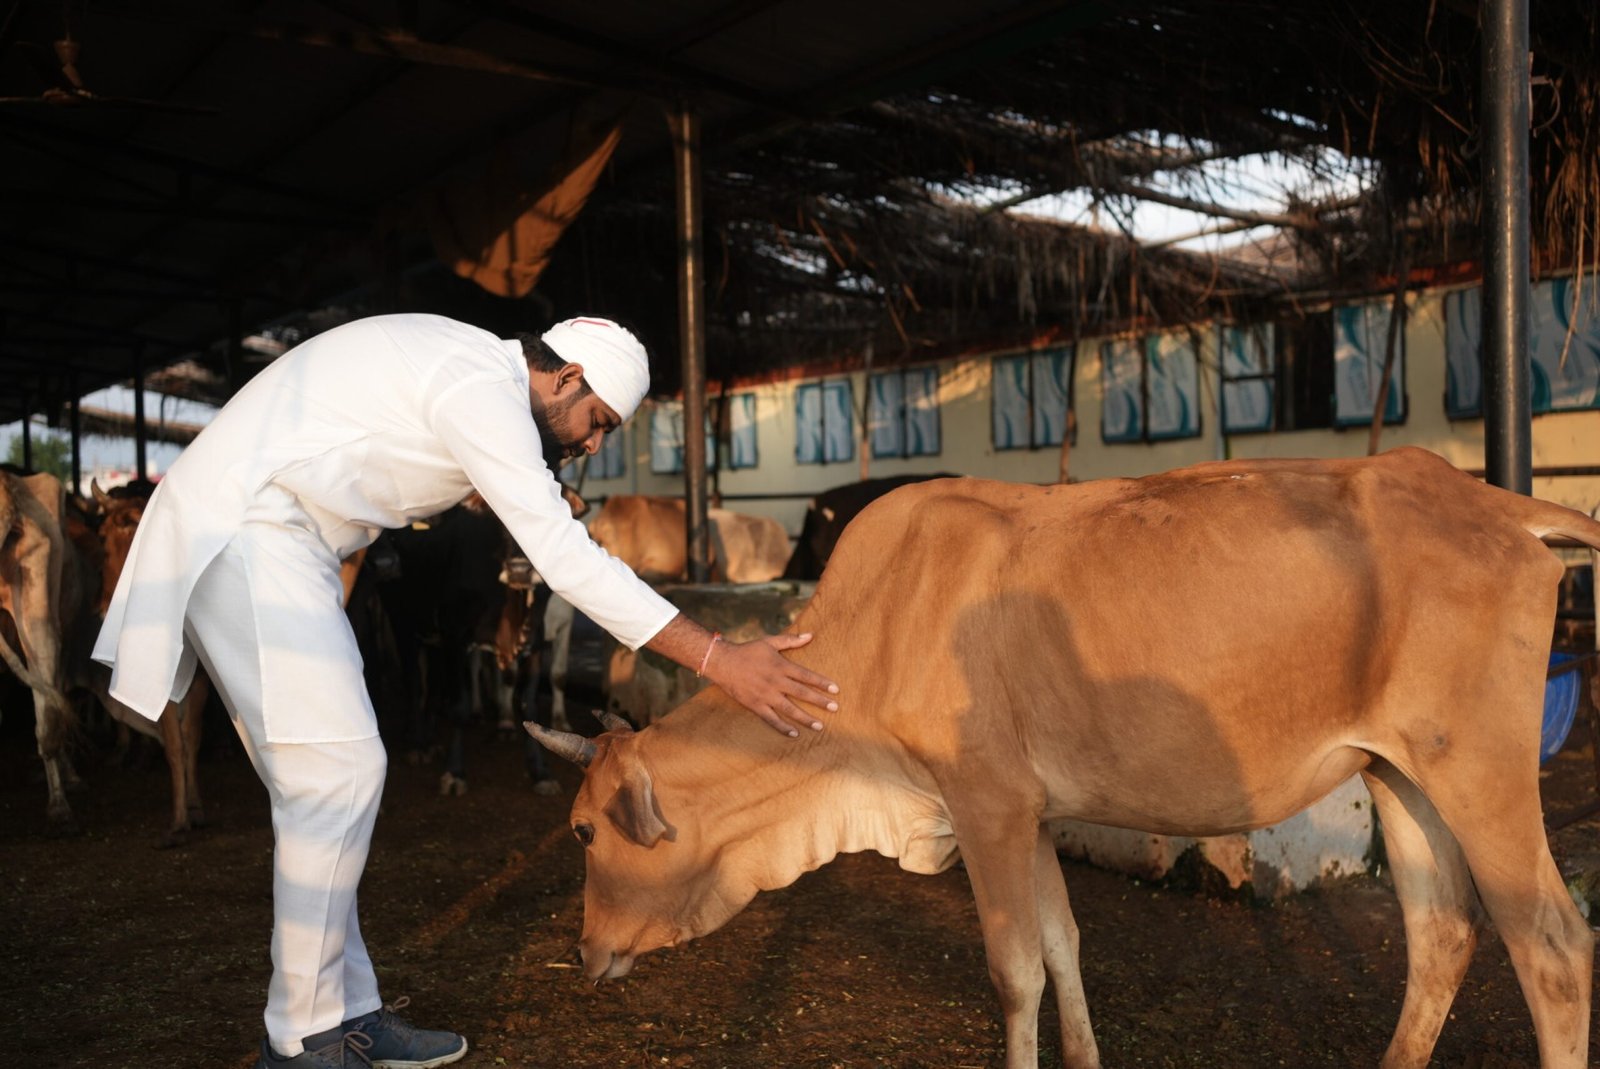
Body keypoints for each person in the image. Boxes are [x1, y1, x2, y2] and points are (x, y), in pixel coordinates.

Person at [93, 313, 840, 1068]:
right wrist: (719, 657)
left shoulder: (477, 377)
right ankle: (301, 1041)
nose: (593, 445)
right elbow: (566, 559)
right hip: (249, 532)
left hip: (288, 542)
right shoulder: (480, 387)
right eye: (598, 422)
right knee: (336, 777)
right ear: (566, 377)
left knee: (322, 787)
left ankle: (346, 1012)